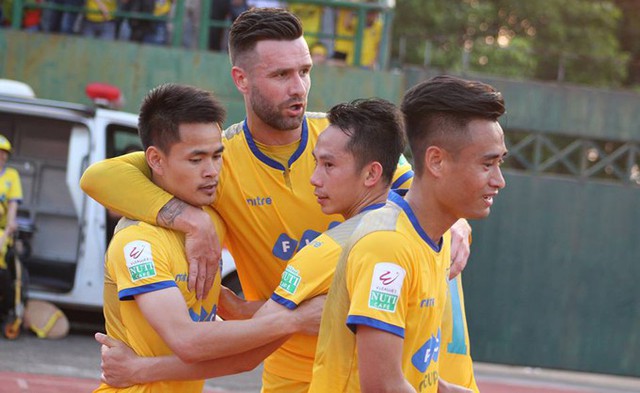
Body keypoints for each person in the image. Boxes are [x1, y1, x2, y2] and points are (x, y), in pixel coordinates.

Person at [80, 8, 470, 391]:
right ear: (241, 79)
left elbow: (422, 193)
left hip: (386, 354)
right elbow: (100, 176)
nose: (298, 87)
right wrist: (188, 218)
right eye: (281, 75)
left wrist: (459, 222)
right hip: (290, 363)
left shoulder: (343, 138)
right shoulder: (218, 160)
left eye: (304, 71)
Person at [308, 75, 507, 393]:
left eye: (499, 163)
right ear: (436, 161)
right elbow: (383, 386)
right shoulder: (387, 246)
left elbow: (408, 368)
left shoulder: (433, 238)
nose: (499, 180)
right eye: (488, 164)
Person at [0, 135, 23, 270]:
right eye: (0, 152)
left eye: (5, 153)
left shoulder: (12, 175)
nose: (2, 156)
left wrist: (10, 226)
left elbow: (13, 202)